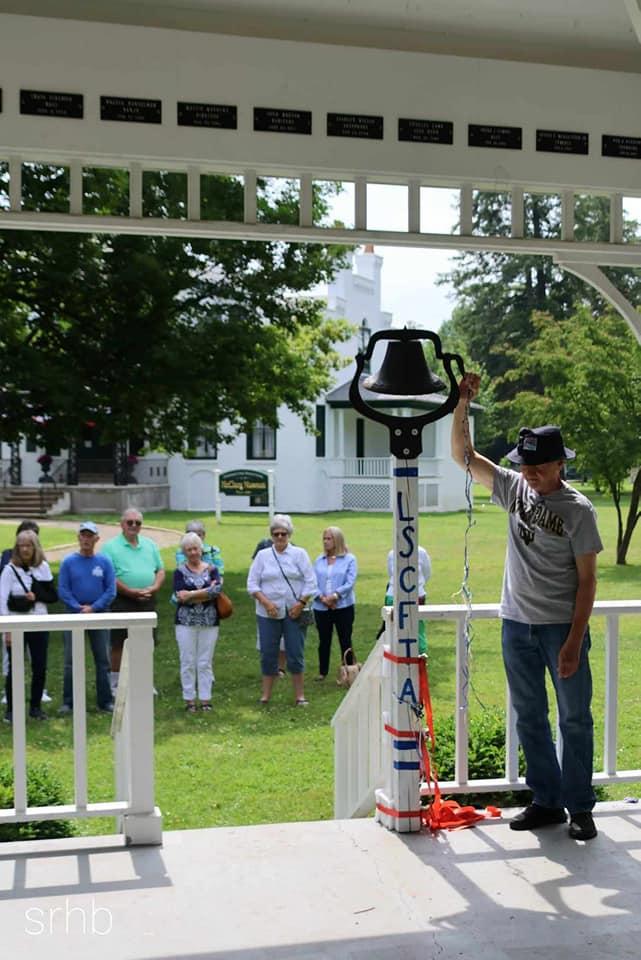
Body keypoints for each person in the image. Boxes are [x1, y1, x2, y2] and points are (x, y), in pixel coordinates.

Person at [451, 371, 602, 842]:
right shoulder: (514, 488)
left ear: (559, 464)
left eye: (538, 467)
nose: (530, 474)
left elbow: (588, 581)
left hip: (561, 628)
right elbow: (464, 457)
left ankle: (580, 806)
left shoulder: (579, 510)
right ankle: (546, 801)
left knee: (574, 717)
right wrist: (462, 404)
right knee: (530, 714)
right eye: (526, 465)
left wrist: (575, 641)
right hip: (515, 624)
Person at [247, 513, 316, 706]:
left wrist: (300, 603)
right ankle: (266, 695)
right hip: (267, 613)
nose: (279, 537)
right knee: (268, 653)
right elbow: (252, 584)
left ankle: (299, 695)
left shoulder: (299, 554)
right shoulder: (263, 556)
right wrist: (266, 603)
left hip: (294, 612)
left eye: (283, 534)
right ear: (271, 535)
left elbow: (311, 582)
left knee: (295, 652)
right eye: (276, 534)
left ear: (289, 535)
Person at [101, 508, 165, 695]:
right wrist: (129, 591)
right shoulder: (110, 547)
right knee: (119, 642)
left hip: (147, 599)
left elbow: (160, 570)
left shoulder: (150, 545)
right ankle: (115, 683)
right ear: (122, 524)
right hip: (122, 599)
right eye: (130, 522)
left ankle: (143, 680)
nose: (134, 526)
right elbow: (109, 576)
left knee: (146, 642)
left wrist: (153, 588)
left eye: (138, 523)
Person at [57, 521, 117, 715]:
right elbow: (63, 590)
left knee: (103, 659)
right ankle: (69, 702)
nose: (86, 539)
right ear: (78, 537)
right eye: (83, 535)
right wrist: (77, 608)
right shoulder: (68, 562)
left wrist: (94, 608)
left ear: (96, 539)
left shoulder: (104, 561)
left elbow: (111, 590)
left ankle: (105, 700)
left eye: (90, 535)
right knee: (70, 660)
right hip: (73, 615)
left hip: (99, 615)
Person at [0, 529, 56, 723]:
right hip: (16, 623)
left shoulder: (43, 568)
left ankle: (35, 707)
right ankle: (12, 710)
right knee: (15, 667)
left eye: (28, 545)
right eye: (21, 545)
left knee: (39, 665)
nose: (25, 549)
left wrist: (36, 596)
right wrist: (6, 628)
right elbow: (2, 599)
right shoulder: (9, 570)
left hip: (39, 622)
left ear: (35, 547)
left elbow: (52, 596)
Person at [173, 532, 222, 713]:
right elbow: (179, 596)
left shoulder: (211, 569)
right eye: (188, 550)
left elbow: (216, 591)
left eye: (195, 548)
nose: (193, 553)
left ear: (201, 549)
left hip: (209, 621)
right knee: (187, 660)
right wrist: (205, 592)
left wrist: (192, 594)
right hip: (185, 622)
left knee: (205, 661)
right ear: (184, 552)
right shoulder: (179, 571)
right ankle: (189, 700)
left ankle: (206, 699)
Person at [312, 527, 358, 681]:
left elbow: (350, 582)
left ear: (337, 540)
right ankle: (322, 671)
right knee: (324, 639)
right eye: (324, 539)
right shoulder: (319, 560)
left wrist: (335, 596)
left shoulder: (349, 559)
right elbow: (312, 582)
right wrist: (322, 598)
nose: (325, 542)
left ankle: (348, 670)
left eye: (329, 539)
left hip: (343, 606)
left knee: (345, 638)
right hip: (321, 606)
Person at [385, 545, 432, 653]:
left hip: (416, 595)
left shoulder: (421, 552)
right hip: (394, 595)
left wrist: (417, 585)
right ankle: (395, 655)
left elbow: (426, 573)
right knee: (394, 628)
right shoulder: (392, 553)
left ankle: (421, 656)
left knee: (417, 626)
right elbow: (391, 574)